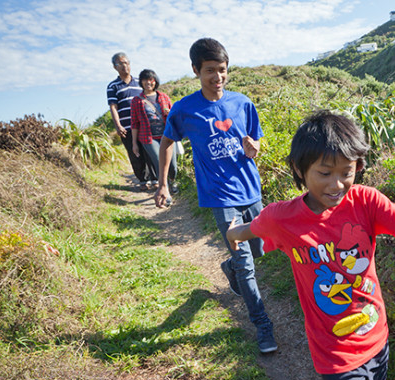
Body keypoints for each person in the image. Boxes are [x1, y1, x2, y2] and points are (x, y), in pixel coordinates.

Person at [225, 110, 395, 380]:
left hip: (376, 334)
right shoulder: (283, 218)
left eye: (347, 172)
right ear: (300, 170)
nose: (336, 184)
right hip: (333, 351)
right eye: (324, 173)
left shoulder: (367, 201)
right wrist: (233, 232)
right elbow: (249, 229)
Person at [153, 38, 276, 353]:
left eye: (222, 70)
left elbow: (255, 143)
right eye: (210, 71)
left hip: (250, 189)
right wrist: (163, 183)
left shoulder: (242, 103)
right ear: (196, 70)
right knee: (247, 262)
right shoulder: (185, 109)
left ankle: (231, 268)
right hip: (220, 196)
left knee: (260, 249)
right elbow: (167, 143)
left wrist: (254, 149)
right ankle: (263, 327)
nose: (217, 78)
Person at [107, 52, 153, 190]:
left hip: (144, 125)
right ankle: (143, 181)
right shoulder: (113, 86)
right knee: (135, 154)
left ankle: (155, 178)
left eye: (126, 62)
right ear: (115, 67)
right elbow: (113, 107)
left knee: (149, 152)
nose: (124, 66)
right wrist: (118, 125)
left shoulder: (140, 82)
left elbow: (149, 98)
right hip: (126, 127)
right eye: (120, 63)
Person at [130, 68, 178, 193]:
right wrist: (134, 143)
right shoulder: (136, 101)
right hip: (148, 138)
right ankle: (165, 190)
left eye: (151, 79)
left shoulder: (164, 97)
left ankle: (172, 180)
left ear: (155, 81)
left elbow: (174, 117)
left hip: (167, 136)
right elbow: (134, 123)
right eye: (145, 80)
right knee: (159, 162)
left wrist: (169, 114)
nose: (148, 82)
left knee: (173, 166)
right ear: (141, 82)